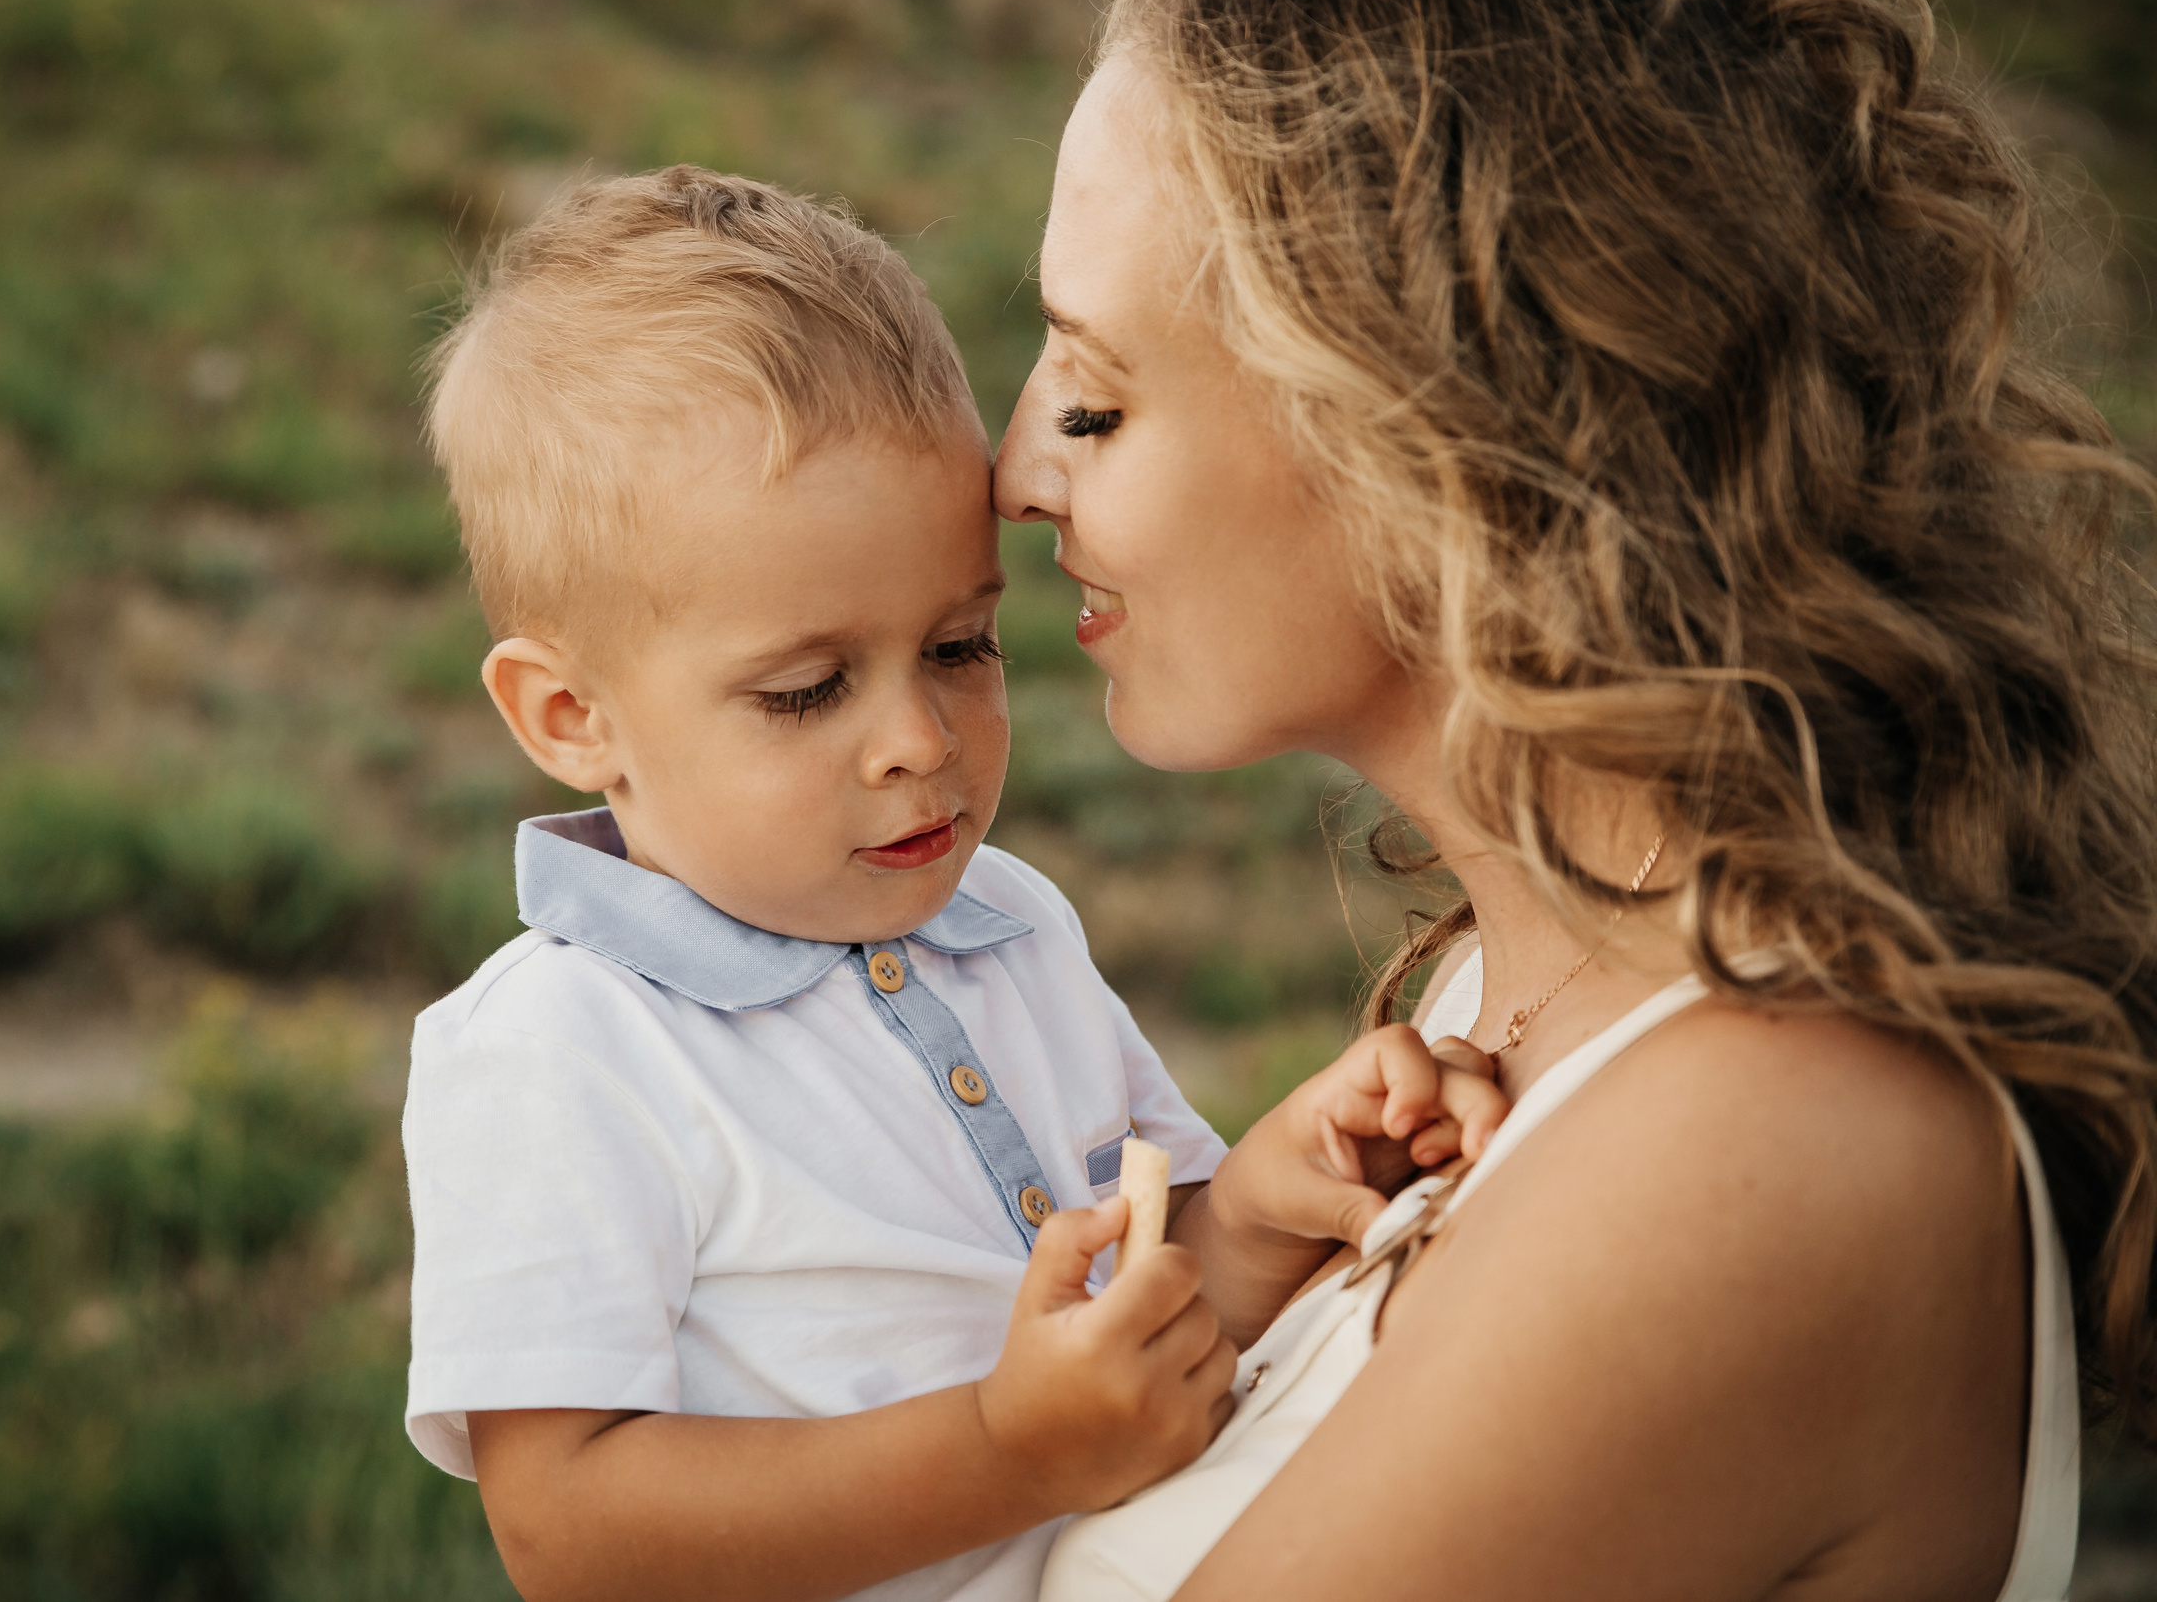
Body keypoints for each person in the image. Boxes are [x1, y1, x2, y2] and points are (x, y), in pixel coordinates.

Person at [991, 0, 2157, 1597]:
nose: (1018, 473)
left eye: (1097, 399)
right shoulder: (1498, 1002)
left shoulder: (1769, 1148)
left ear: (1427, 427)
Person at [397, 167, 1509, 1602]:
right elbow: (572, 1534)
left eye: (963, 646)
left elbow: (1148, 1320)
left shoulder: (1010, 928)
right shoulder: (560, 1051)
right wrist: (1008, 1451)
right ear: (570, 719)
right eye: (806, 692)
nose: (919, 742)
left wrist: (1271, 1200)